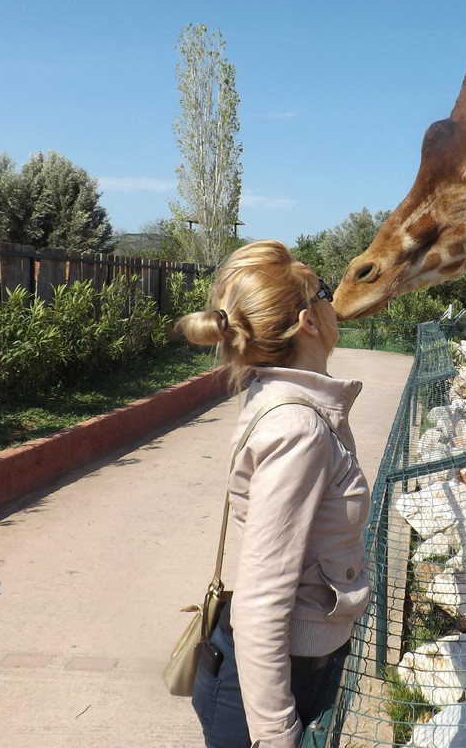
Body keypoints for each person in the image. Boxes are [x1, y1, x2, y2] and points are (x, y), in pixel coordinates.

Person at [173, 240, 370, 748]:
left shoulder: (292, 402)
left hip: (282, 669)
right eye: (325, 293)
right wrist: (275, 732)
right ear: (308, 320)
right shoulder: (298, 426)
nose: (334, 303)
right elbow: (261, 597)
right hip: (268, 687)